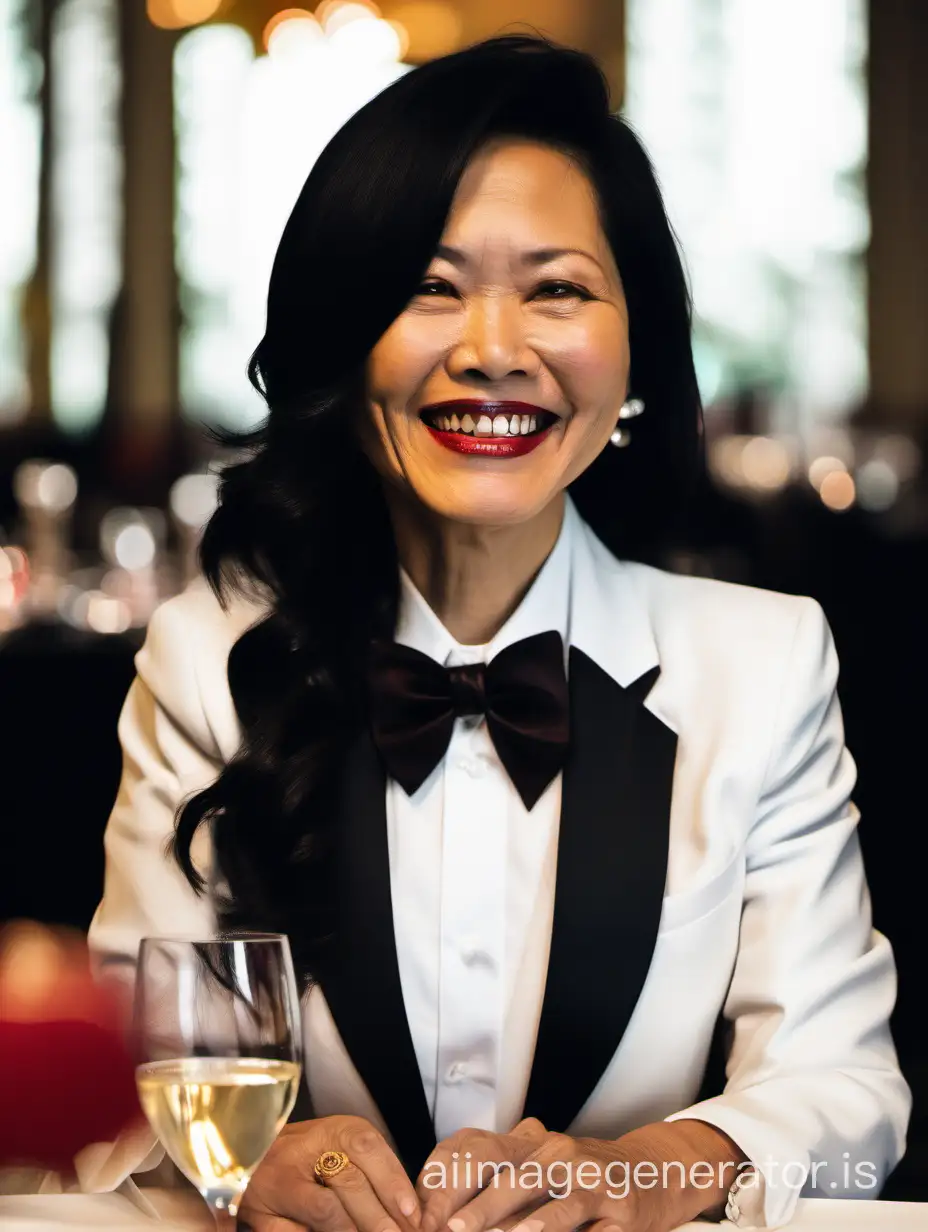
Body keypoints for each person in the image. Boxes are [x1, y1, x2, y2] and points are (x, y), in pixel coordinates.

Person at [88, 35, 909, 1232]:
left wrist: (648, 1170)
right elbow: (129, 1085)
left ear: (633, 356)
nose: (489, 347)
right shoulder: (206, 661)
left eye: (558, 287)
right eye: (428, 285)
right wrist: (234, 1163)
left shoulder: (762, 666)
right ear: (342, 341)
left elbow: (850, 1116)